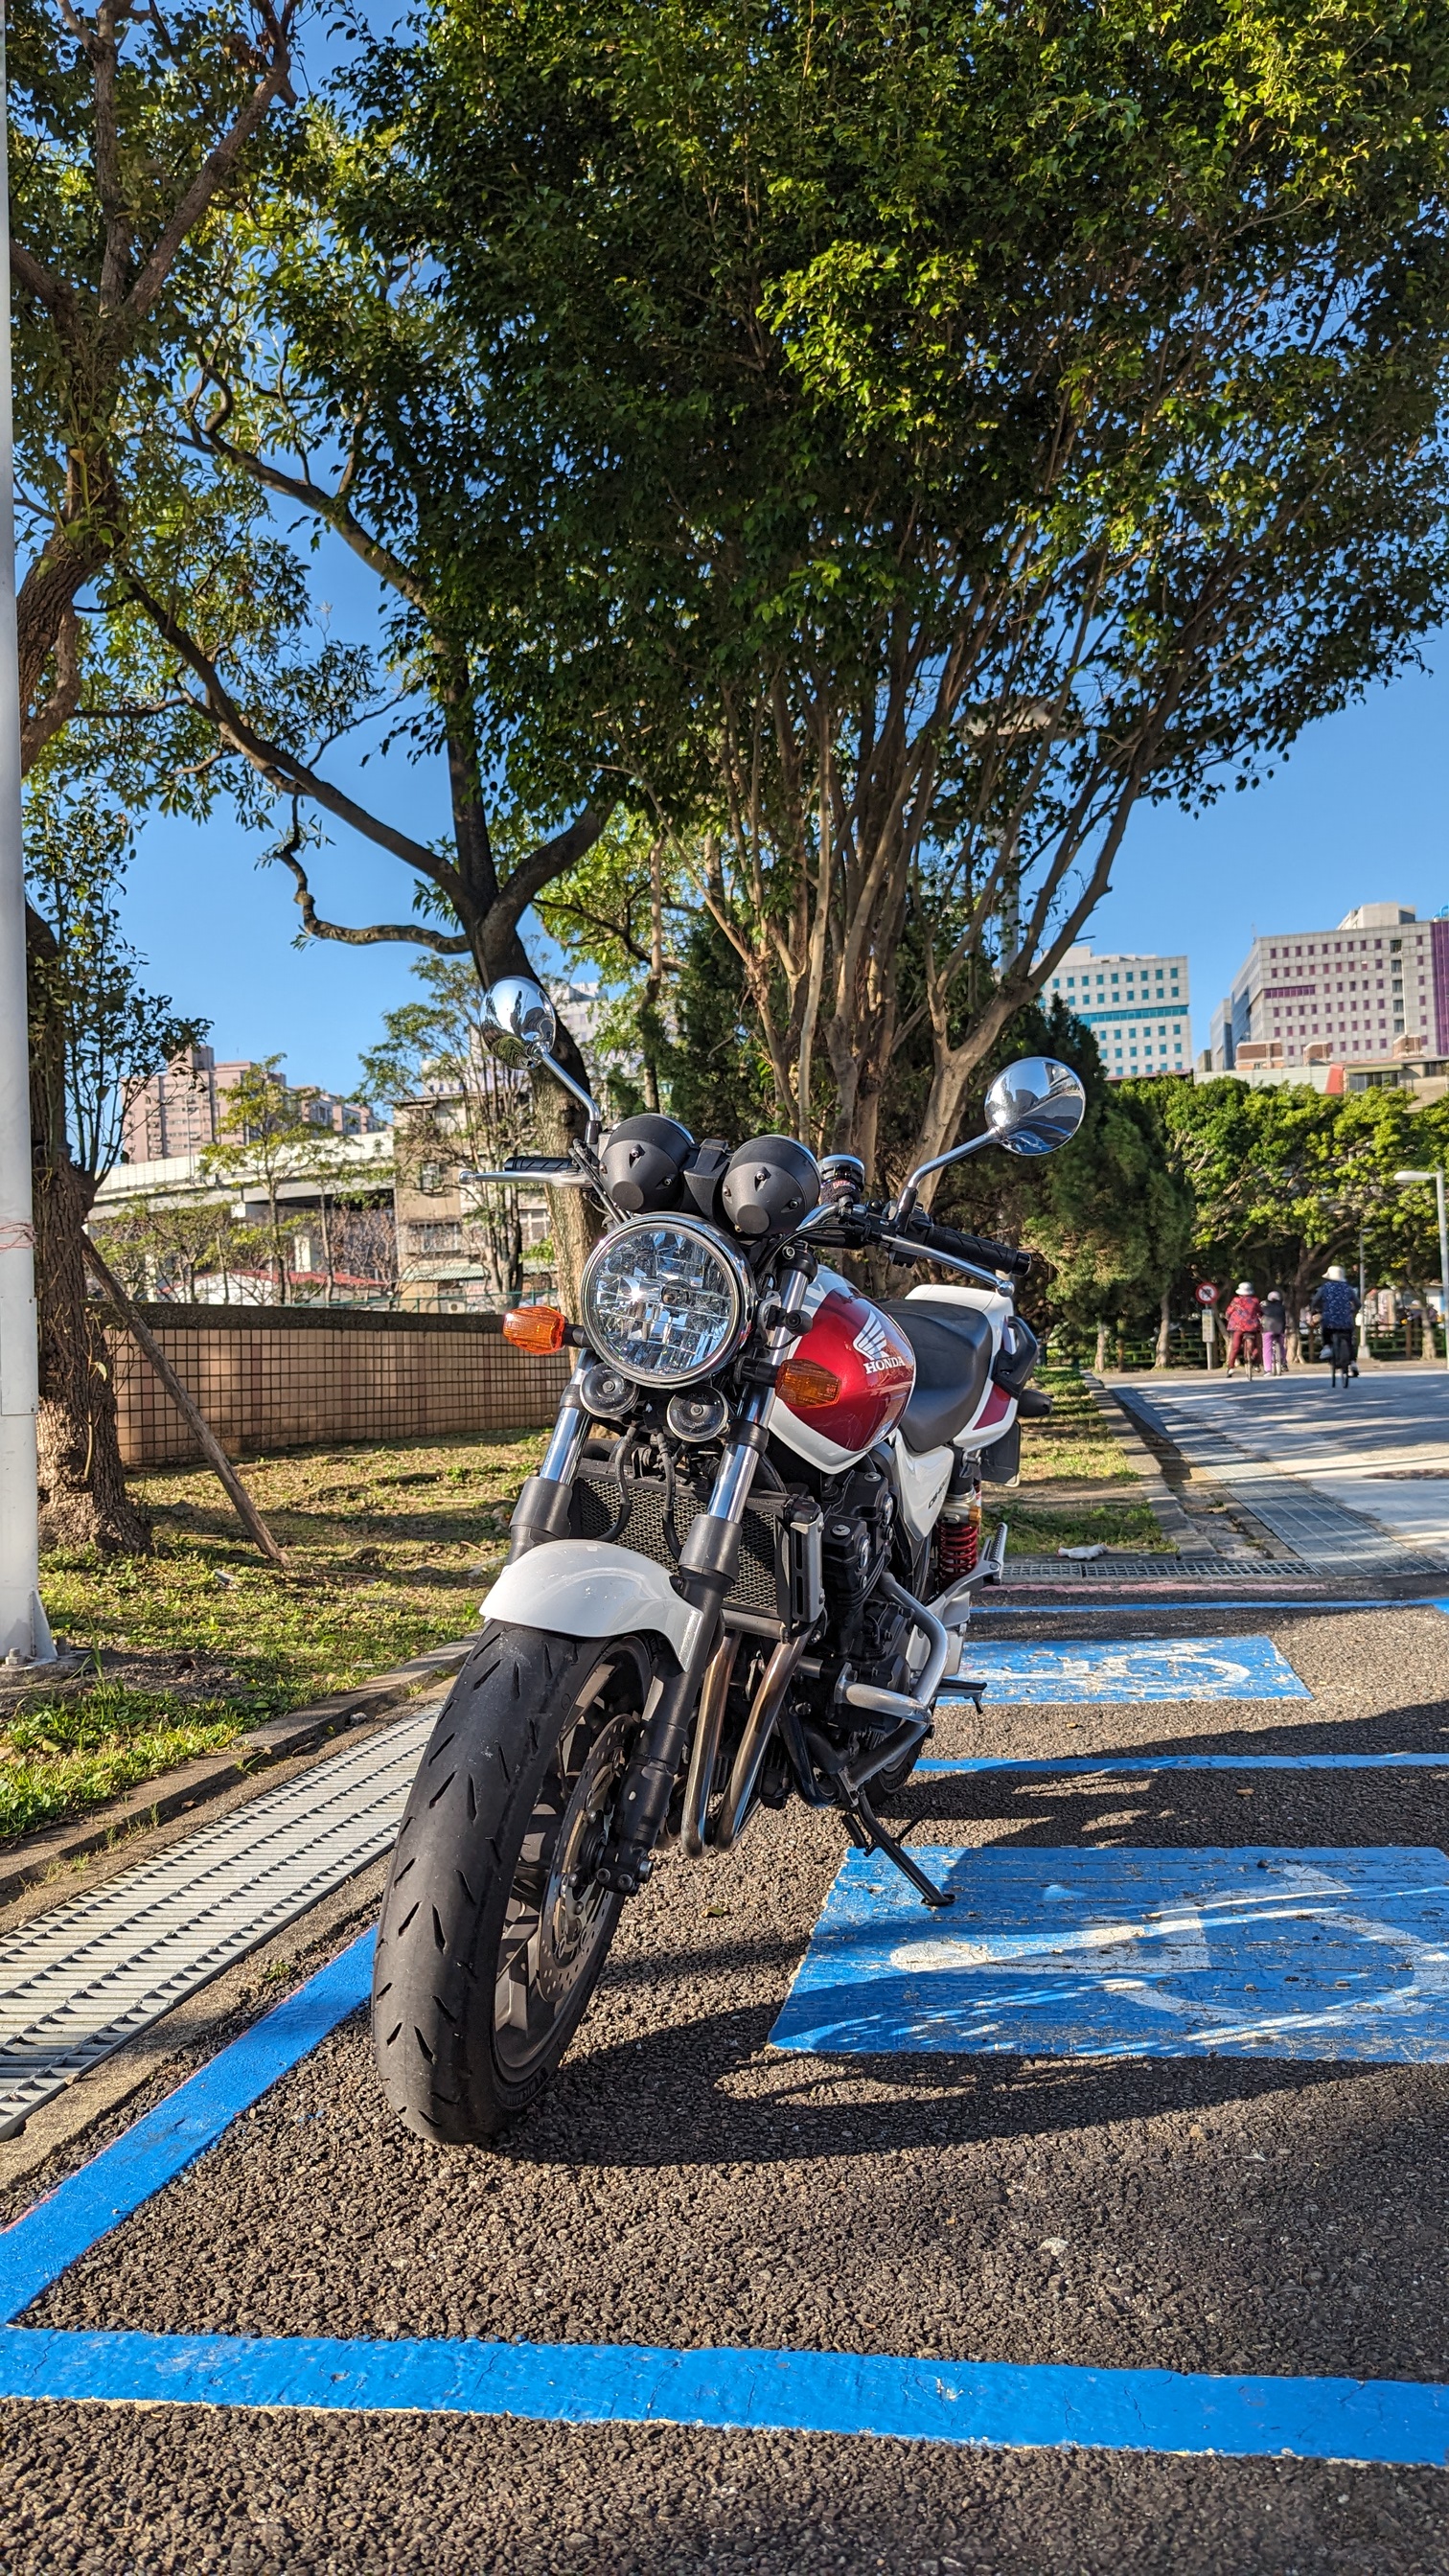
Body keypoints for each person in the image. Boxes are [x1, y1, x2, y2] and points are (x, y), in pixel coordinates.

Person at [1312, 1265, 1360, 1378]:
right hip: (1346, 1321)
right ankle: (1353, 1363)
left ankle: (1327, 1347)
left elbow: (1315, 1301)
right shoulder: (1348, 1288)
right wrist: (1352, 1310)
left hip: (1329, 1320)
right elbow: (1358, 1303)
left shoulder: (1324, 1288)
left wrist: (1317, 1309)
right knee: (1349, 1341)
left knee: (1326, 1332)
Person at [1223, 1280, 1262, 1375]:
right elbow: (1260, 1311)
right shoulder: (1255, 1300)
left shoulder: (1236, 1300)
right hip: (1252, 1327)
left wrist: (1227, 1316)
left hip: (1238, 1327)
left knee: (1235, 1348)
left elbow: (1229, 1311)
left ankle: (1231, 1367)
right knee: (1257, 1346)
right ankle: (1256, 1363)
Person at [1260, 1285, 1288, 1375]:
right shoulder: (1282, 1308)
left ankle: (1267, 1369)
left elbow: (1260, 1316)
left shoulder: (1264, 1308)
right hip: (1280, 1330)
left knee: (1267, 1348)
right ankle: (1283, 1362)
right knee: (1282, 1345)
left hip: (1268, 1330)